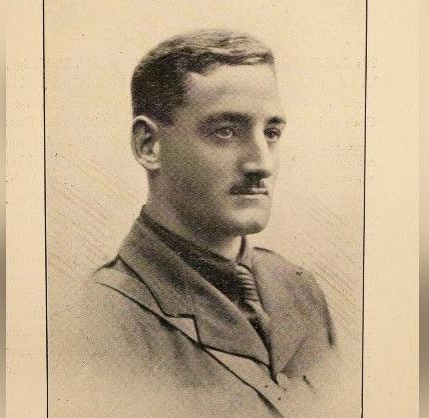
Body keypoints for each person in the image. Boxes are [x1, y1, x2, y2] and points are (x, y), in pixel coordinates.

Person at [51, 29, 349, 417]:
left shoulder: (299, 289)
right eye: (225, 131)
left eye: (271, 133)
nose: (261, 163)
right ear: (149, 146)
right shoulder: (100, 318)